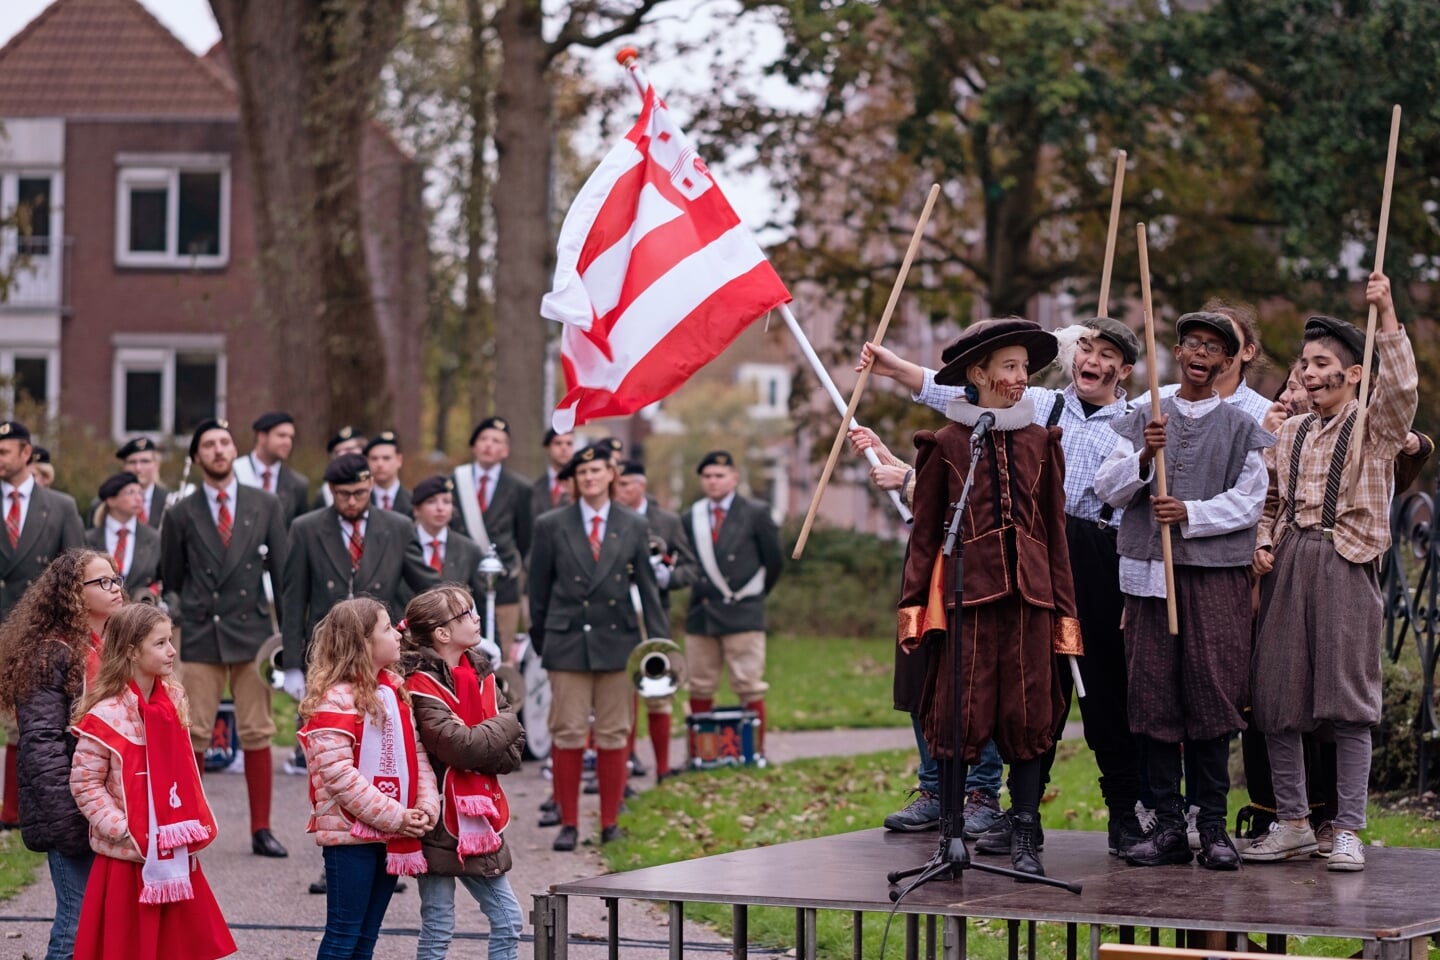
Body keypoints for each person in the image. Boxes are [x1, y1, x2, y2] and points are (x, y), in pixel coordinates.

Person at [862, 315, 1148, 853]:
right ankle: (992, 817)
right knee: (990, 700)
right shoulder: (1022, 413)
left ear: (1125, 369)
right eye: (1087, 347)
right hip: (990, 578)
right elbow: (950, 396)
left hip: (1084, 563)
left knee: (1087, 698)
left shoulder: (1112, 425)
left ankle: (1110, 818)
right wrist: (896, 370)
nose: (1093, 359)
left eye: (1109, 354)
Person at [1245, 275, 1419, 872]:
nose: (1310, 372)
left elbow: (1401, 390)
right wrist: (1263, 543)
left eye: (1324, 363)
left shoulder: (1374, 430)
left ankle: (1346, 828)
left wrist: (1387, 310)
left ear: (1352, 375)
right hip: (1291, 560)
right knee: (1277, 695)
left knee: (1347, 702)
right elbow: (1269, 501)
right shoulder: (1288, 431)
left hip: (1346, 562)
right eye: (1305, 363)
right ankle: (1292, 821)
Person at [896, 318, 1080, 879]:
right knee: (957, 713)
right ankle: (950, 835)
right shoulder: (948, 444)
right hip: (966, 604)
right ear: (977, 375)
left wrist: (1066, 616)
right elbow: (925, 536)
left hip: (1030, 600)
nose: (1021, 377)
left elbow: (1054, 533)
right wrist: (913, 612)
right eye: (1009, 366)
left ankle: (1025, 830)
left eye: (1025, 367)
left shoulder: (1041, 443)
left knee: (1027, 716)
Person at [1093, 311, 1273, 870]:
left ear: (1227, 361)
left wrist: (1188, 512)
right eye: (1192, 342)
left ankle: (1213, 827)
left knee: (1212, 695)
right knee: (1152, 697)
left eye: (1213, 346)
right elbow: (1108, 489)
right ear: (1177, 351)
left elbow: (1250, 501)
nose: (1200, 353)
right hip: (1150, 579)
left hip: (1214, 579)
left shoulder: (1243, 426)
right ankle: (1169, 825)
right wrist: (1147, 457)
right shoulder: (1147, 416)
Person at [69, 603, 235, 960]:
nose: (172, 651)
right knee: (128, 947)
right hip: (128, 856)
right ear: (131, 651)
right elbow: (85, 783)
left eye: (170, 641)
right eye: (160, 644)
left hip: (172, 851)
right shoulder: (106, 714)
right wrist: (122, 827)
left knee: (177, 947)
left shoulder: (173, 700)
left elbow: (184, 769)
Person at [160, 419, 290, 858]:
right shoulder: (180, 512)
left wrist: (287, 638)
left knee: (257, 731)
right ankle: (192, 824)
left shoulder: (265, 504)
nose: (219, 450)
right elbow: (172, 576)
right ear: (196, 458)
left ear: (234, 450)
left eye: (224, 442)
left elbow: (282, 573)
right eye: (209, 445)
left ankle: (261, 828)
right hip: (201, 630)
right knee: (194, 732)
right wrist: (184, 616)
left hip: (252, 630)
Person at [529, 445, 667, 850]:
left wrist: (658, 647)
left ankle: (609, 821)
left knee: (613, 732)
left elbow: (647, 588)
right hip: (567, 640)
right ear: (574, 479)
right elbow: (537, 591)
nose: (589, 477)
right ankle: (569, 822)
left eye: (597, 470)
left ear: (612, 474)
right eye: (582, 471)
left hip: (616, 639)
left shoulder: (633, 524)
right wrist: (544, 641)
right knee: (568, 731)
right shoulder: (551, 524)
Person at [297, 598, 439, 960]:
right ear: (363, 643)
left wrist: (424, 805)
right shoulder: (334, 700)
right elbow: (340, 777)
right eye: (387, 628)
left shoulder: (392, 693)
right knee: (344, 935)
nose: (397, 634)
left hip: (392, 831)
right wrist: (396, 816)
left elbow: (415, 754)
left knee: (367, 937)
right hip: (350, 837)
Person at [0, 549, 120, 960]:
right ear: (73, 593)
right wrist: (69, 822)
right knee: (77, 924)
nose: (115, 587)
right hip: (69, 811)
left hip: (104, 809)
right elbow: (42, 747)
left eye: (115, 578)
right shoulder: (50, 653)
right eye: (102, 582)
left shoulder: (109, 646)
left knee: (102, 922)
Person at [401, 586, 526, 960]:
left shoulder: (481, 671)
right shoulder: (419, 683)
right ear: (442, 633)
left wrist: (488, 737)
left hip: (479, 815)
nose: (476, 619)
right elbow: (459, 746)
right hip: (438, 816)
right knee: (438, 926)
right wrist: (504, 723)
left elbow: (513, 751)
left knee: (508, 920)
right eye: (467, 614)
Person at [281, 453, 439, 691]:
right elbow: (293, 601)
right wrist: (292, 664)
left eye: (360, 493)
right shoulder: (306, 529)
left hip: (381, 651)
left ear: (371, 485)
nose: (352, 501)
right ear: (331, 489)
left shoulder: (398, 527)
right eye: (344, 494)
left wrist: (460, 613)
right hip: (327, 651)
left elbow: (426, 585)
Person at [0, 418, 85, 827]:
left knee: (31, 724)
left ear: (27, 454)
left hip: (37, 633)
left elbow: (74, 573)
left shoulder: (60, 506)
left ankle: (17, 811)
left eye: (4, 451)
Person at [680, 451, 784, 754]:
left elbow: (773, 561)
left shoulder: (756, 512)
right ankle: (702, 753)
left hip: (743, 614)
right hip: (703, 612)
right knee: (699, 685)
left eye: (720, 476)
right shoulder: (691, 517)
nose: (713, 482)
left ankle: (755, 752)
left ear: (734, 479)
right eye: (708, 476)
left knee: (749, 684)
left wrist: (753, 596)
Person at [614, 459, 699, 782]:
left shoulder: (666, 521)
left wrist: (667, 577)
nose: (620, 491)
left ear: (641, 485)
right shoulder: (611, 518)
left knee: (658, 689)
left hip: (653, 617)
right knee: (621, 692)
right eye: (617, 485)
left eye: (626, 484)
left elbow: (690, 567)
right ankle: (627, 761)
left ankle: (663, 767)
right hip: (618, 616)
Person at [451, 417, 532, 662]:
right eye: (483, 439)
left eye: (496, 441)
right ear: (474, 446)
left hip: (502, 586)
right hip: (460, 582)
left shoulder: (520, 488)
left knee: (501, 657)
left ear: (505, 450)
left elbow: (525, 539)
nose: (489, 445)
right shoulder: (454, 482)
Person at [406, 476, 488, 608]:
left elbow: (481, 601)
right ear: (416, 510)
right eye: (431, 501)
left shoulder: (468, 549)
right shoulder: (403, 543)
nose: (440, 508)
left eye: (446, 501)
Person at [84, 472, 160, 596]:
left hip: (140, 612)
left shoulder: (154, 538)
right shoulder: (88, 539)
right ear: (111, 500)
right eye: (130, 492)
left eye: (140, 493)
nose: (138, 498)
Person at [234, 411, 310, 528]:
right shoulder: (234, 472)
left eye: (290, 437)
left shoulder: (298, 484)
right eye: (281, 435)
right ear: (261, 436)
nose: (288, 442)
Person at [115, 438, 169, 530]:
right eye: (132, 462)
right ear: (124, 466)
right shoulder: (109, 504)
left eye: (145, 461)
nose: (138, 468)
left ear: (156, 465)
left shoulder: (172, 502)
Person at [313, 427, 368, 511]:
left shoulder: (376, 483)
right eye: (337, 452)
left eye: (349, 449)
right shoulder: (326, 492)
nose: (342, 455)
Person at [530, 429, 575, 521]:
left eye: (569, 443)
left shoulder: (581, 485)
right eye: (558, 443)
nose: (564, 448)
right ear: (547, 447)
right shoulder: (534, 487)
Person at [365, 431, 412, 517]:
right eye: (374, 458)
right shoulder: (361, 501)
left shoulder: (413, 502)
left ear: (399, 460)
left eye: (386, 458)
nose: (379, 464)